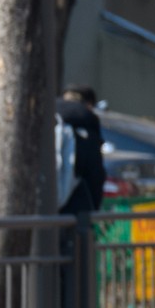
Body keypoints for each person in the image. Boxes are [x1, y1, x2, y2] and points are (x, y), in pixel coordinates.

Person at [57, 85, 106, 215]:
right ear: (89, 105)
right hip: (75, 214)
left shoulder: (48, 119)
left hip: (38, 213)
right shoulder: (88, 130)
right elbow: (95, 176)